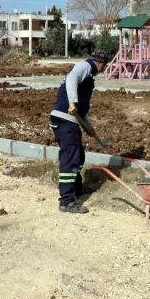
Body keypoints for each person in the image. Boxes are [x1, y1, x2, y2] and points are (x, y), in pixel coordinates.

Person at [49, 51, 111, 214]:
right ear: (99, 62)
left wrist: (89, 127)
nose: (104, 69)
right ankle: (67, 201)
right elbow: (71, 78)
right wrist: (72, 101)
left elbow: (80, 113)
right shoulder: (86, 66)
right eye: (105, 65)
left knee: (78, 157)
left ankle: (76, 189)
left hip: (70, 121)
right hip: (65, 120)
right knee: (69, 160)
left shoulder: (89, 77)